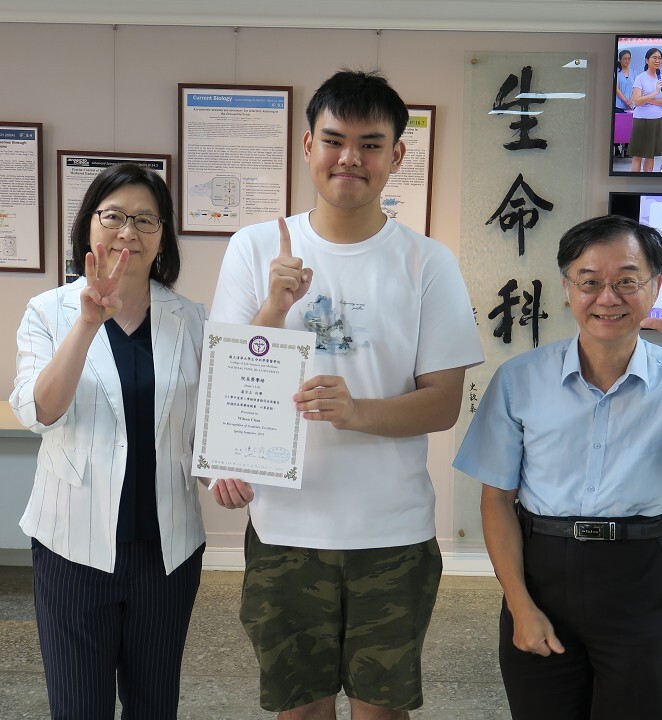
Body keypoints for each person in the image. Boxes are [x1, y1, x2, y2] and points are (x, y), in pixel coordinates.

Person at [208, 69, 484, 720]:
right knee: (299, 710)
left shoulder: (428, 262)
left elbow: (443, 403)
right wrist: (274, 307)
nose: (349, 158)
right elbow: (231, 380)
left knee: (380, 711)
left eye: (370, 144)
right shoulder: (254, 248)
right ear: (308, 146)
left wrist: (356, 411)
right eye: (333, 140)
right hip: (285, 528)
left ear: (397, 155)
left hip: (392, 533)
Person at [454, 215, 662, 720]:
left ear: (655, 287)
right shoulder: (519, 379)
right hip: (541, 569)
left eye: (626, 281)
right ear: (567, 288)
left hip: (636, 574)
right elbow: (497, 501)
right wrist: (519, 605)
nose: (607, 297)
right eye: (590, 282)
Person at [10, 163, 207, 719]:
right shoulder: (49, 311)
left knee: (154, 705)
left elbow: (208, 424)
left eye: (146, 220)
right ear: (89, 224)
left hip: (166, 551)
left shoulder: (191, 319)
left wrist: (230, 467)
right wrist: (87, 324)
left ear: (163, 235)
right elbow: (40, 411)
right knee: (79, 705)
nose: (129, 232)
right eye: (114, 216)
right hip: (72, 545)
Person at [629, 47, 662, 173]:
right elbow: (637, 101)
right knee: (637, 154)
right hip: (641, 120)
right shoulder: (640, 78)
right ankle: (635, 180)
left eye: (659, 58)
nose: (657, 60)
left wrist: (649, 100)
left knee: (650, 154)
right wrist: (655, 92)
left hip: (656, 119)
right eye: (654, 58)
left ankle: (647, 178)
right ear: (647, 60)